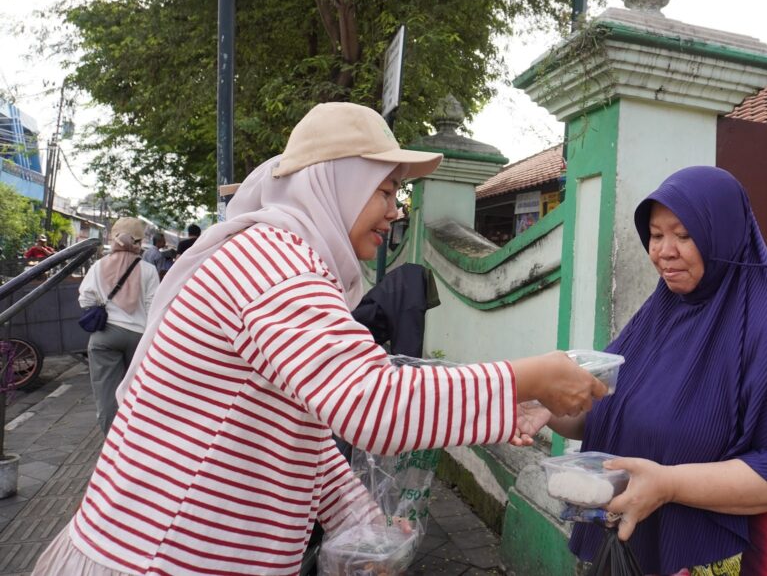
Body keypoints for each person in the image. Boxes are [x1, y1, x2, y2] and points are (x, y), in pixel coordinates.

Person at [32, 102, 606, 576]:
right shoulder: (275, 264)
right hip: (163, 555)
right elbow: (372, 404)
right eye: (384, 190)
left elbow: (300, 425)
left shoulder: (284, 259)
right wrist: (528, 377)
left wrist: (361, 520)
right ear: (336, 183)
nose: (395, 211)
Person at [518, 166, 767, 575]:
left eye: (684, 236)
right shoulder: (660, 312)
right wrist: (549, 404)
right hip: (638, 545)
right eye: (655, 235)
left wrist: (669, 485)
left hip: (727, 556)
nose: (664, 251)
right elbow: (613, 407)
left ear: (722, 233)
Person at [77, 217, 160, 435]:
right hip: (139, 338)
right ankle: (138, 440)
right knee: (139, 392)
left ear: (112, 238)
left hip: (106, 336)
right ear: (139, 241)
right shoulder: (148, 270)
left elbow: (85, 300)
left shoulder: (97, 267)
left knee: (107, 396)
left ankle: (112, 445)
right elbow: (154, 307)